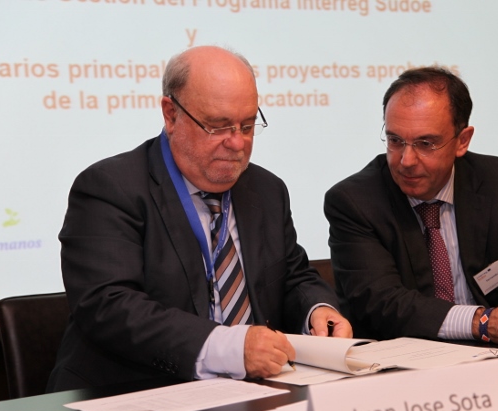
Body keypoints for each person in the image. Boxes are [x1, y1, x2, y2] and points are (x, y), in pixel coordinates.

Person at [47, 46, 352, 392]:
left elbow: (292, 276)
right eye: (218, 126)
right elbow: (109, 305)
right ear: (171, 114)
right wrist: (226, 348)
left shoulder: (267, 190)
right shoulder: (111, 188)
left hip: (252, 392)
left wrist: (317, 311)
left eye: (247, 125)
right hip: (135, 393)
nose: (237, 143)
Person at [324, 67, 498, 346]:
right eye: (395, 141)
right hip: (407, 357)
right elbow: (382, 303)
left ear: (462, 141)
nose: (406, 160)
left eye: (425, 143)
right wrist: (483, 322)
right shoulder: (355, 201)